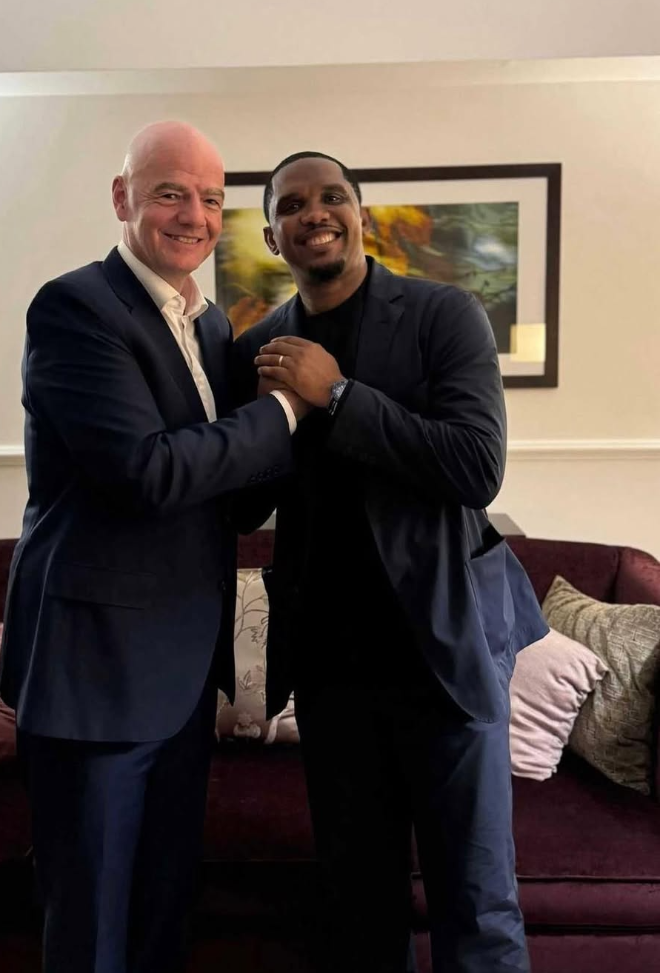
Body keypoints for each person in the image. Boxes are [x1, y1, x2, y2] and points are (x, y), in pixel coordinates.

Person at [0, 121, 308, 973]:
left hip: (181, 671)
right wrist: (285, 413)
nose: (195, 216)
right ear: (122, 198)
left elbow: (228, 496)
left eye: (211, 198)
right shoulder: (76, 308)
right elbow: (146, 472)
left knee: (162, 912)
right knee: (92, 928)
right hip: (95, 671)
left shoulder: (210, 326)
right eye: (171, 192)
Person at [232, 151, 549, 973]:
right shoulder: (261, 346)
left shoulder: (445, 314)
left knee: (476, 904)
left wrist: (338, 397)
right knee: (359, 907)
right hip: (331, 671)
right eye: (291, 205)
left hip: (445, 654)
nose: (314, 213)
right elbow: (244, 506)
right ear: (272, 237)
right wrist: (242, 430)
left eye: (332, 197)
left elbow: (476, 468)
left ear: (361, 216)